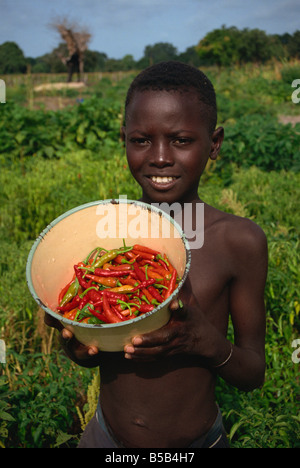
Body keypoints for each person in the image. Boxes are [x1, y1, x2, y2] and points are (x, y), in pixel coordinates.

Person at [45, 61, 268, 448]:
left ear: (213, 143)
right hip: (105, 438)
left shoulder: (237, 241)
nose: (160, 157)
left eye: (181, 140)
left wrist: (205, 341)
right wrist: (78, 345)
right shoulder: (105, 235)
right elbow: (97, 356)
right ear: (124, 141)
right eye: (141, 140)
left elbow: (252, 372)